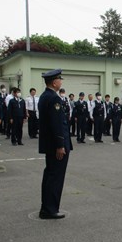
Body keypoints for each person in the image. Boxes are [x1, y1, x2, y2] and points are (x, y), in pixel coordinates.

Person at [38, 69, 72, 220]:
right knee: (55, 177)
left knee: (50, 175)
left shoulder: (44, 96)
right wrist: (60, 145)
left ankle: (47, 207)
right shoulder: (54, 99)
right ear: (54, 82)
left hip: (49, 144)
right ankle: (50, 209)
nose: (61, 82)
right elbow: (56, 124)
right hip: (56, 145)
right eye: (59, 79)